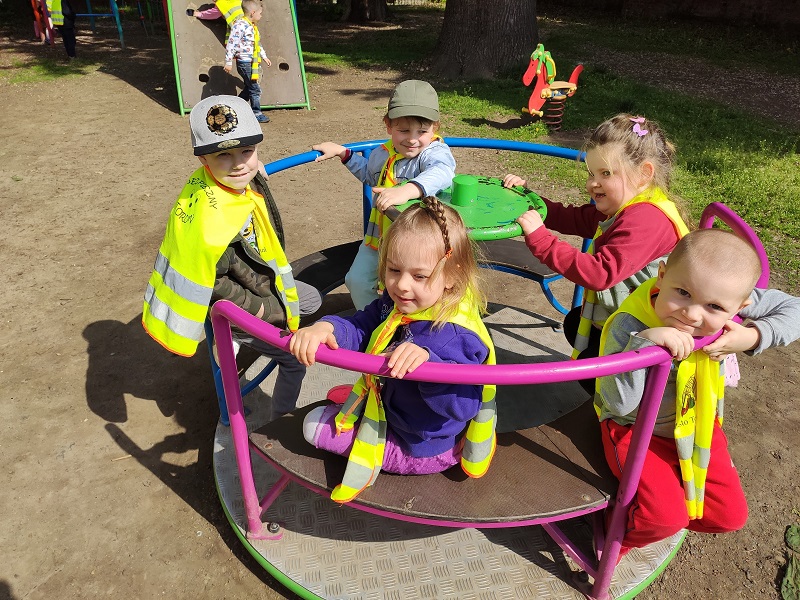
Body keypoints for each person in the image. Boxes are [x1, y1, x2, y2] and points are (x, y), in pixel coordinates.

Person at [596, 228, 800, 559]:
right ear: (662, 275)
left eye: (714, 307)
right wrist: (645, 342)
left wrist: (752, 336)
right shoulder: (630, 325)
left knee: (729, 517)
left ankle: (654, 506)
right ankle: (616, 535)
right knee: (664, 519)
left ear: (741, 306)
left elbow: (795, 308)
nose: (691, 314)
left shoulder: (725, 290)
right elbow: (618, 404)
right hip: (634, 430)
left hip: (696, 425)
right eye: (682, 292)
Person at [289, 196, 496, 503]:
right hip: (395, 411)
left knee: (313, 426)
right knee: (336, 405)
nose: (402, 285)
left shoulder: (454, 335)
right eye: (394, 270)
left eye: (420, 276)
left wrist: (430, 369)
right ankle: (366, 409)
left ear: (452, 276)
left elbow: (464, 406)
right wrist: (328, 327)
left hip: (420, 446)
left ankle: (383, 447)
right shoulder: (398, 304)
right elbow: (363, 325)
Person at [142, 95, 322, 420]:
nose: (239, 164)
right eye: (224, 154)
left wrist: (254, 170)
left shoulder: (216, 181)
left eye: (247, 151)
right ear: (204, 159)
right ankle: (279, 422)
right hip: (238, 303)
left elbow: (238, 167)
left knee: (310, 300)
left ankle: (238, 336)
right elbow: (213, 281)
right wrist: (259, 309)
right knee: (294, 362)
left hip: (256, 279)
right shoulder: (212, 224)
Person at [503, 114, 689, 391]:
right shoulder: (628, 204)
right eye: (591, 173)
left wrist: (542, 241)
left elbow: (600, 274)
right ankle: (604, 396)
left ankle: (626, 410)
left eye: (606, 173)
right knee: (576, 323)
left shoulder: (646, 219)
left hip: (655, 332)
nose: (593, 183)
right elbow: (575, 219)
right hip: (634, 313)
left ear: (644, 174)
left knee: (590, 363)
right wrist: (529, 200)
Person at [312, 80, 456, 310]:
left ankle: (414, 325)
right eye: (403, 130)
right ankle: (374, 321)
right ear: (388, 125)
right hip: (380, 237)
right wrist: (343, 153)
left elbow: (443, 171)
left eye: (422, 131)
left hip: (418, 245)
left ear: (435, 128)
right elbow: (371, 176)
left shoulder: (433, 152)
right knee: (357, 280)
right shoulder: (384, 153)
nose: (412, 139)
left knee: (418, 290)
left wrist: (408, 190)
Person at [224, 0, 272, 123]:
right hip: (244, 63)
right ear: (253, 12)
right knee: (255, 88)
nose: (261, 16)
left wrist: (264, 56)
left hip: (253, 61)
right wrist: (228, 62)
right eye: (260, 13)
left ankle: (236, 107)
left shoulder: (252, 26)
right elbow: (231, 44)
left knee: (250, 87)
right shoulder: (240, 25)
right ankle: (256, 113)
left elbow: (257, 43)